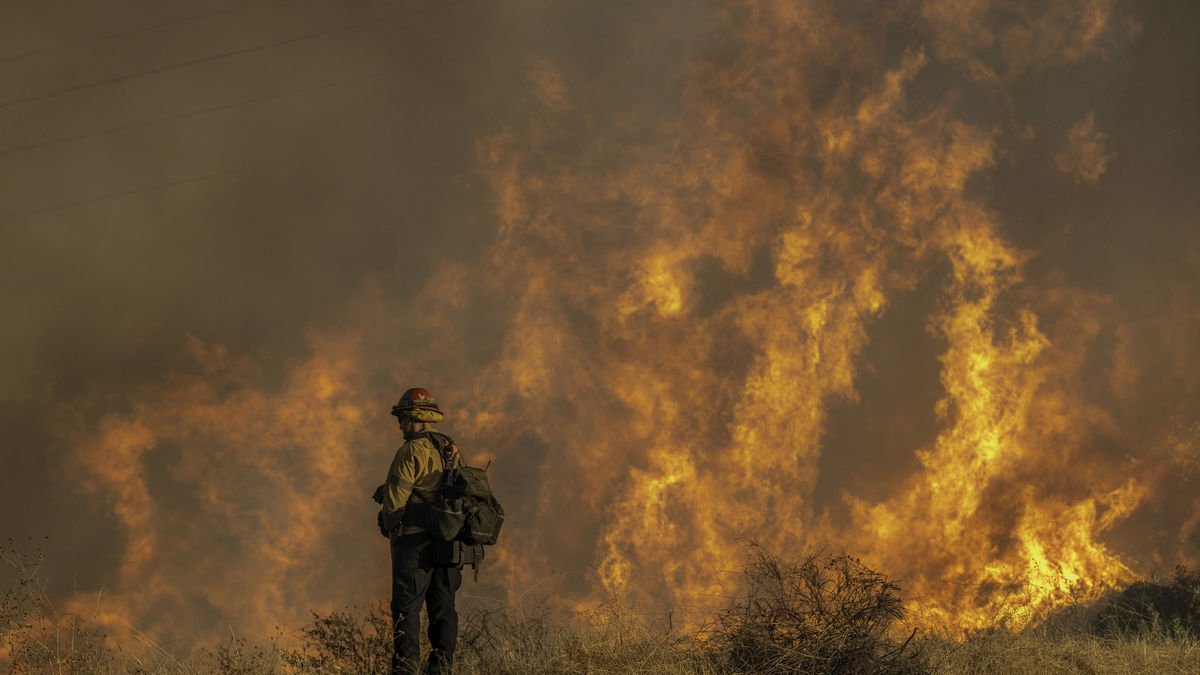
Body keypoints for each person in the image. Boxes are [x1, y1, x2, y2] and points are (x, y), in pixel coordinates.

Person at [375, 387, 462, 675]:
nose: (399, 425)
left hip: (415, 544)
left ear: (413, 417)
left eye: (401, 418)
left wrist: (389, 525)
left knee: (406, 608)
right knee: (443, 607)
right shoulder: (449, 447)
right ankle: (442, 667)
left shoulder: (411, 450)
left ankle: (405, 668)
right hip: (448, 543)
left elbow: (395, 503)